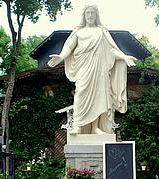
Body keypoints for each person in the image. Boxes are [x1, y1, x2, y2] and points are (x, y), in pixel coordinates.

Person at [47, 4, 136, 134]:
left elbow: (111, 51)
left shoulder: (101, 32)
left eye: (92, 13)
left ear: (96, 15)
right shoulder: (78, 32)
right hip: (84, 68)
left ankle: (95, 128)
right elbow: (69, 48)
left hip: (99, 70)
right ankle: (78, 126)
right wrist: (60, 57)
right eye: (87, 13)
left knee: (98, 97)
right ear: (84, 15)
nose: (90, 15)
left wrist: (124, 57)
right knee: (80, 94)